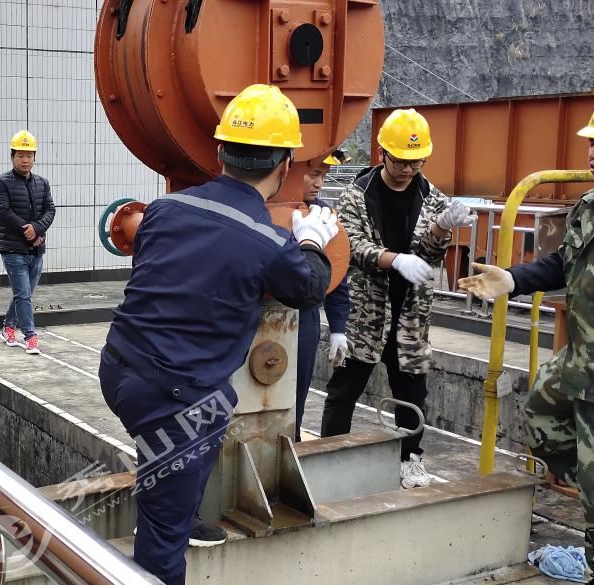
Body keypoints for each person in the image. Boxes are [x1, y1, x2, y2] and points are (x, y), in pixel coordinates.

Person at [101, 84, 341, 585]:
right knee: (162, 540)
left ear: (218, 153)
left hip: (119, 368)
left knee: (204, 419)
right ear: (285, 163)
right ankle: (168, 524)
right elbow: (309, 287)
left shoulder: (164, 210)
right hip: (176, 399)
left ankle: (176, 500)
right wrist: (311, 241)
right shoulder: (269, 242)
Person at [459, 85, 594, 585]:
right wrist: (512, 279)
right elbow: (564, 262)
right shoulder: (593, 203)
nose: (592, 152)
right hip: (581, 368)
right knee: (541, 412)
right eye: (592, 143)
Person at [317, 108, 474, 489]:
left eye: (417, 162)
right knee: (344, 389)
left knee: (412, 390)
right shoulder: (358, 195)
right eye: (402, 160)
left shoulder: (431, 197)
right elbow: (352, 246)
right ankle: (329, 457)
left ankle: (410, 458)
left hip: (411, 315)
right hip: (366, 314)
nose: (409, 169)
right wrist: (394, 259)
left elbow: (430, 254)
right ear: (383, 153)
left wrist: (441, 228)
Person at [295, 148, 353, 440]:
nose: (319, 183)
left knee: (295, 397)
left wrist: (338, 328)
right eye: (313, 174)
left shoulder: (324, 216)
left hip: (305, 318)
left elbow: (336, 271)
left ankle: (291, 439)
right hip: (259, 313)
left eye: (323, 176)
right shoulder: (266, 209)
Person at [0, 130, 55, 354]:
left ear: (35, 157)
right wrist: (27, 230)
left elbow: (50, 210)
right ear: (12, 157)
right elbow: (3, 212)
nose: (25, 160)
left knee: (24, 294)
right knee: (23, 294)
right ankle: (30, 336)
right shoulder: (2, 182)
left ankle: (8, 326)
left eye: (29, 155)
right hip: (12, 249)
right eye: (20, 155)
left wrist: (37, 229)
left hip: (36, 249)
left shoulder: (42, 183)